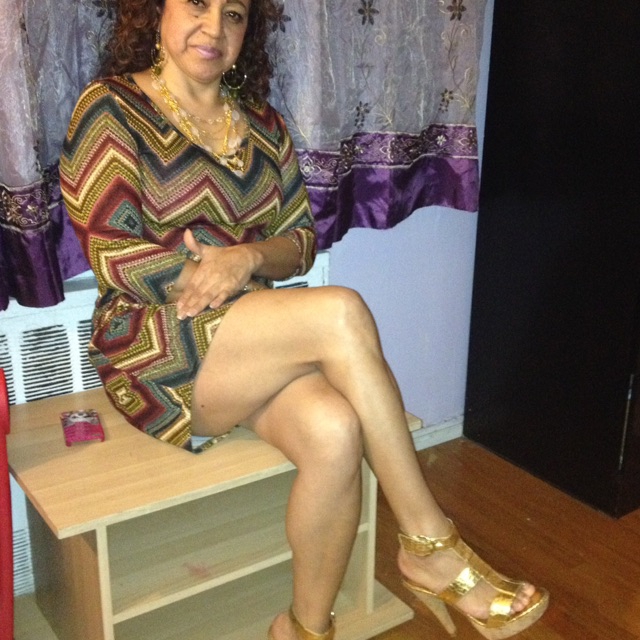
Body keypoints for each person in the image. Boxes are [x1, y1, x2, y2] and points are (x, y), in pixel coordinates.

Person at [59, 1, 549, 639]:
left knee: (336, 430)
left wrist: (246, 259)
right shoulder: (111, 107)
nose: (214, 28)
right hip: (153, 340)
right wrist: (207, 277)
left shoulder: (262, 124)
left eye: (234, 14)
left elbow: (300, 242)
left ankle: (304, 629)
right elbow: (112, 251)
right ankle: (429, 543)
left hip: (250, 335)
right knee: (340, 311)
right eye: (197, 4)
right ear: (156, 11)